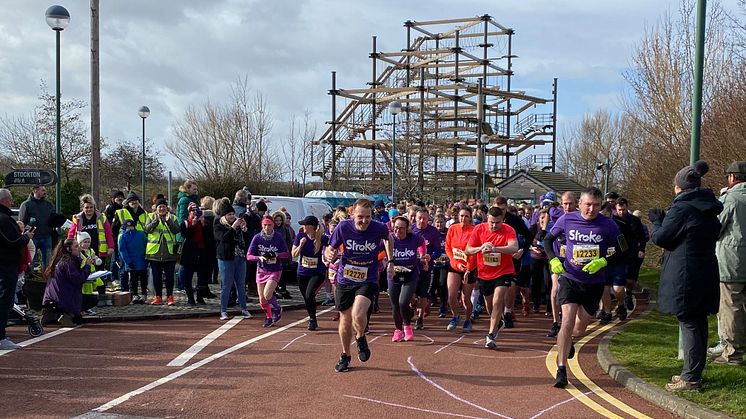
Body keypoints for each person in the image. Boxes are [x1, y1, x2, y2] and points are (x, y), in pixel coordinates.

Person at [650, 160, 723, 391]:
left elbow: (661, 238)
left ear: (679, 187)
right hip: (705, 269)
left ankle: (690, 378)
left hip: (685, 274)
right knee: (698, 322)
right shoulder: (709, 208)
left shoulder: (682, 209)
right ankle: (693, 372)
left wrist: (656, 221)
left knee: (689, 322)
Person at [544, 187, 624, 388]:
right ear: (580, 203)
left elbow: (623, 250)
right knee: (567, 320)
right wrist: (553, 260)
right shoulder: (567, 219)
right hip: (570, 278)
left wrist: (603, 261)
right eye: (588, 204)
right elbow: (547, 239)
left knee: (579, 328)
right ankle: (561, 369)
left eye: (596, 205)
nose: (591, 209)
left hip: (594, 283)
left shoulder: (608, 225)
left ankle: (570, 340)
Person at [325, 199, 393, 372]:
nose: (364, 221)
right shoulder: (343, 227)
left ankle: (361, 337)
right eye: (360, 217)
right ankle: (345, 354)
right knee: (345, 320)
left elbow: (389, 238)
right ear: (352, 214)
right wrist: (329, 254)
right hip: (345, 278)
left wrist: (391, 260)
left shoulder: (379, 228)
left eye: (368, 217)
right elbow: (329, 249)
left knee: (358, 313)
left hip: (367, 278)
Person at [465, 207, 518, 350]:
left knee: (498, 299)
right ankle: (497, 322)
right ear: (486, 219)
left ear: (503, 220)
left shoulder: (508, 230)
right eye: (491, 222)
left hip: (504, 271)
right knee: (490, 304)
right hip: (484, 273)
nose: (494, 225)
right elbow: (468, 250)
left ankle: (491, 334)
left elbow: (514, 247)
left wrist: (496, 248)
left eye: (497, 222)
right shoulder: (479, 229)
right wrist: (481, 248)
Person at [711, 161, 746, 365]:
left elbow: (716, 227)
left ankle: (733, 353)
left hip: (732, 261)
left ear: (732, 178)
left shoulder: (729, 199)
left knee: (731, 306)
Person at [0, 189, 33, 349]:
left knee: (5, 299)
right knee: (5, 300)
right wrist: (26, 237)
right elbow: (13, 241)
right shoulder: (3, 219)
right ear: (5, 200)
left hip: (6, 263)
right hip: (6, 264)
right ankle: (0, 337)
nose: (12, 202)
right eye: (10, 199)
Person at [67, 194, 115, 305]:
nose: (89, 209)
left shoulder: (101, 217)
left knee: (100, 274)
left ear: (94, 207)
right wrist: (68, 247)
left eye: (91, 207)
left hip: (98, 250)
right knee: (83, 275)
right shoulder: (78, 219)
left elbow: (108, 233)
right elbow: (71, 234)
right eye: (86, 207)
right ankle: (83, 298)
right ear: (83, 208)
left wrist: (111, 246)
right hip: (81, 252)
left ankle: (101, 298)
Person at [493, 197, 532, 329]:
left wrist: (522, 250)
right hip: (494, 257)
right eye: (498, 209)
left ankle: (508, 313)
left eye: (503, 210)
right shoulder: (488, 219)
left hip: (512, 257)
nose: (500, 212)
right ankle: (497, 314)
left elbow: (529, 236)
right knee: (495, 290)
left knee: (510, 285)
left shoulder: (515, 220)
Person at [247, 216, 290, 327]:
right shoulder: (257, 238)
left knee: (267, 294)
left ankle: (277, 307)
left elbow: (286, 254)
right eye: (265, 225)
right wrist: (259, 258)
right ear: (262, 225)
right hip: (261, 270)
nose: (267, 227)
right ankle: (269, 317)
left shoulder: (278, 237)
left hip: (275, 270)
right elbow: (249, 256)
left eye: (269, 225)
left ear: (273, 225)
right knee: (262, 299)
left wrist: (276, 255)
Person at [388, 216, 426, 341]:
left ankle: (407, 327)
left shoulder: (414, 238)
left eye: (402, 229)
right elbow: (380, 251)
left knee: (403, 302)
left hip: (411, 274)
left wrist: (423, 256)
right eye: (396, 228)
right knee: (395, 305)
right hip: (394, 276)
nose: (398, 231)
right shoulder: (390, 239)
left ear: (408, 229)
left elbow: (422, 244)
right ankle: (398, 330)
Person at [214, 201, 252, 320]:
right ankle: (223, 310)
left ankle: (244, 309)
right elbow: (223, 239)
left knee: (241, 285)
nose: (232, 216)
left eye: (233, 214)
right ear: (224, 215)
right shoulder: (219, 225)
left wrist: (244, 229)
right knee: (226, 285)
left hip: (240, 257)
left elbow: (246, 240)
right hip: (226, 258)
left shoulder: (238, 225)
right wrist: (233, 227)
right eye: (229, 214)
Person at [41, 239, 93, 327]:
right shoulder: (69, 262)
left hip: (52, 296)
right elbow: (78, 279)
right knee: (92, 300)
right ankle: (67, 315)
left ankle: (52, 313)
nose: (79, 249)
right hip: (63, 297)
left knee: (78, 316)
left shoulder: (58, 260)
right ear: (69, 249)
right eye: (76, 247)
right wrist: (87, 266)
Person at [444, 205, 477, 332]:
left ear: (470, 218)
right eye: (461, 216)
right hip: (455, 266)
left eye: (466, 216)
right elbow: (448, 248)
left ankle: (468, 320)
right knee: (451, 295)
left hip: (470, 268)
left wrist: (469, 268)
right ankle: (455, 316)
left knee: (465, 298)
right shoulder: (452, 229)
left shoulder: (474, 230)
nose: (463, 218)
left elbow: (475, 252)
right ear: (458, 216)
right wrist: (455, 263)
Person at [292, 216, 329, 331]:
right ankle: (312, 317)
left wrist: (329, 257)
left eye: (305, 225)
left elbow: (332, 248)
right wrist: (301, 245)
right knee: (307, 297)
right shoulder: (300, 236)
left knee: (309, 294)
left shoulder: (322, 238)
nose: (302, 227)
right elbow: (293, 254)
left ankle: (312, 319)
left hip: (317, 272)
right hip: (302, 272)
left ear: (311, 227)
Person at [110, 192, 148, 292]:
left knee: (139, 271)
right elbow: (113, 230)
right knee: (124, 269)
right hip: (124, 245)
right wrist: (114, 245)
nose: (134, 202)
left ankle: (135, 292)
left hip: (139, 247)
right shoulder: (121, 212)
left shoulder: (144, 213)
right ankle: (124, 291)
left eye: (135, 200)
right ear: (127, 202)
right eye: (131, 200)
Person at [144, 198, 180, 305]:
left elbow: (176, 230)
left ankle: (170, 296)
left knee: (170, 277)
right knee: (156, 277)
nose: (162, 208)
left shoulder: (173, 218)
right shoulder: (150, 217)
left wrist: (168, 221)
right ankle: (158, 296)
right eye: (160, 207)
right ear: (156, 208)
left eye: (164, 206)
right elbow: (147, 229)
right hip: (154, 253)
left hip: (170, 253)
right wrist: (155, 221)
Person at [180, 202, 215, 305]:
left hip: (202, 252)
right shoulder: (186, 223)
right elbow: (185, 235)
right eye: (192, 211)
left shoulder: (204, 222)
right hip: (190, 253)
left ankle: (200, 297)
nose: (195, 213)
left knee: (202, 277)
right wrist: (192, 226)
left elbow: (209, 236)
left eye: (196, 211)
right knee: (188, 276)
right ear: (189, 212)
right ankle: (190, 297)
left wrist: (204, 225)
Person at [411, 208, 438, 330]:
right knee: (410, 294)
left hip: (425, 268)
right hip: (410, 267)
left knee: (423, 294)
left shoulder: (433, 232)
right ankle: (413, 305)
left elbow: (438, 250)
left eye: (424, 218)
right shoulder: (410, 230)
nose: (422, 221)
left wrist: (430, 256)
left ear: (428, 219)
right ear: (415, 218)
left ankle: (420, 319)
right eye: (419, 218)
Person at [18, 185, 57, 269]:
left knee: (48, 262)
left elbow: (53, 219)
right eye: (42, 190)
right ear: (35, 190)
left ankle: (47, 279)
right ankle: (29, 279)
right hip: (32, 238)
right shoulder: (26, 205)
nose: (45, 192)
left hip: (47, 237)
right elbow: (22, 222)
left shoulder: (48, 204)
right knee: (30, 261)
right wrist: (26, 233)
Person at [175, 180, 200, 293]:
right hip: (185, 235)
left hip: (191, 233)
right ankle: (182, 285)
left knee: (188, 263)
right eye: (194, 189)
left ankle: (186, 284)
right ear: (188, 189)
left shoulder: (192, 199)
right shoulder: (185, 200)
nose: (196, 191)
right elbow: (182, 218)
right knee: (184, 263)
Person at [118, 219, 148, 304]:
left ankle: (144, 295)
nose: (130, 228)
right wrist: (128, 261)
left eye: (131, 226)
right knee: (133, 280)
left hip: (142, 261)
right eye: (127, 227)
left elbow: (146, 245)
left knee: (143, 279)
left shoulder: (141, 234)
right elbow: (122, 250)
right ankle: (134, 295)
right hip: (131, 262)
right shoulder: (123, 236)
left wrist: (147, 258)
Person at [76, 232, 104, 314]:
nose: (87, 244)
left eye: (88, 242)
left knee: (90, 291)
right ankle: (82, 307)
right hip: (84, 274)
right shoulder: (79, 252)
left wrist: (96, 260)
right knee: (83, 292)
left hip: (91, 274)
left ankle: (87, 307)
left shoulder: (91, 250)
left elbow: (95, 259)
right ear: (80, 243)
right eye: (85, 242)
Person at [105, 190, 125, 286]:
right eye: (118, 197)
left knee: (121, 257)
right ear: (113, 199)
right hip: (113, 236)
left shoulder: (123, 209)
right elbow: (108, 223)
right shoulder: (110, 208)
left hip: (122, 237)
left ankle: (120, 277)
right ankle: (114, 277)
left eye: (121, 197)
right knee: (115, 257)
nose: (120, 199)